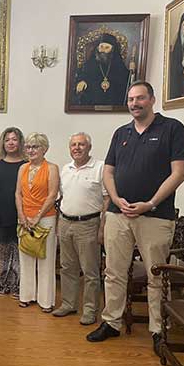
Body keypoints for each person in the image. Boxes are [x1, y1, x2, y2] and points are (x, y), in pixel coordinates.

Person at [87, 81, 184, 356]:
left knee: (156, 275)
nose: (134, 103)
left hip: (156, 215)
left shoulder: (172, 129)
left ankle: (158, 329)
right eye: (131, 99)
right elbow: (108, 171)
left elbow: (179, 173)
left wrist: (151, 203)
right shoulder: (121, 133)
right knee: (114, 272)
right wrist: (115, 197)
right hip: (118, 214)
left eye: (140, 98)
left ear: (152, 100)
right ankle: (111, 322)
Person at [52, 132, 109, 326]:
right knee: (67, 267)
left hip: (88, 225)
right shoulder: (65, 169)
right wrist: (58, 224)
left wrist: (102, 227)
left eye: (81, 144)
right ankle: (69, 304)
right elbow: (62, 198)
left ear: (89, 147)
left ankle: (90, 310)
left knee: (90, 271)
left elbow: (107, 199)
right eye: (73, 145)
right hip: (65, 222)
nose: (77, 148)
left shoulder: (100, 168)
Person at [15, 133, 59, 311]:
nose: (30, 150)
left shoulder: (52, 168)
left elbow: (52, 195)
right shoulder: (22, 168)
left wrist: (38, 217)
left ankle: (45, 301)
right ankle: (26, 296)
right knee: (25, 257)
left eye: (35, 147)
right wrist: (22, 215)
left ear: (44, 149)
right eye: (28, 147)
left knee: (45, 260)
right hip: (25, 219)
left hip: (46, 218)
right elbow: (18, 193)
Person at [0, 127, 26, 297]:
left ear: (20, 142)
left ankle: (18, 285)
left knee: (20, 251)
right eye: (7, 140)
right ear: (3, 143)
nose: (11, 143)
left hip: (23, 215)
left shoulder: (27, 164)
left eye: (14, 139)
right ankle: (4, 282)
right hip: (2, 213)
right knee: (5, 250)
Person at [75, 33, 130, 106]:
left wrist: (132, 71)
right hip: (92, 104)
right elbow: (82, 75)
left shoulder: (118, 64)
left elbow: (126, 81)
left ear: (113, 49)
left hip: (113, 104)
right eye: (101, 47)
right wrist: (82, 81)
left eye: (107, 47)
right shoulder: (90, 63)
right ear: (97, 48)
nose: (103, 50)